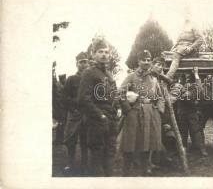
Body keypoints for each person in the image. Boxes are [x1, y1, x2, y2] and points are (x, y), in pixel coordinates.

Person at [119, 50, 164, 176]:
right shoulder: (131, 77)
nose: (146, 62)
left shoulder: (154, 78)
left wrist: (159, 111)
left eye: (148, 60)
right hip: (135, 113)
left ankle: (144, 171)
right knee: (130, 144)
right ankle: (126, 173)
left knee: (147, 144)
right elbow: (120, 93)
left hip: (150, 113)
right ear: (138, 61)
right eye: (143, 60)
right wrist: (127, 109)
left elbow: (160, 96)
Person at [78, 38, 118, 176]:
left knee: (110, 157)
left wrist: (116, 110)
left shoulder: (109, 74)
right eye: (100, 52)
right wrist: (100, 115)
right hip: (96, 121)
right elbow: (83, 99)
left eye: (106, 52)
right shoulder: (89, 73)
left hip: (111, 121)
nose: (104, 55)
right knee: (97, 158)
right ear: (93, 54)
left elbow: (114, 95)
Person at [63, 52, 89, 175]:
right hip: (74, 114)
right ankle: (70, 163)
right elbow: (64, 97)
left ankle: (85, 164)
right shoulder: (71, 79)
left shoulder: (90, 79)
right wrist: (73, 109)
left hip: (87, 114)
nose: (84, 64)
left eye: (85, 62)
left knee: (85, 140)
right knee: (70, 140)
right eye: (81, 62)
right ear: (77, 63)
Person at [173, 68, 208, 157]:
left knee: (196, 130)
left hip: (192, 111)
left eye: (188, 76)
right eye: (185, 76)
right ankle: (182, 149)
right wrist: (188, 96)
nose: (187, 78)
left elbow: (199, 91)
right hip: (182, 111)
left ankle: (201, 149)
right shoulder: (178, 85)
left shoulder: (193, 85)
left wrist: (190, 96)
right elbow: (179, 96)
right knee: (183, 131)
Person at [165, 9, 203, 82]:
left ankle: (169, 76)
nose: (186, 16)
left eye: (188, 14)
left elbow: (200, 39)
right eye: (185, 14)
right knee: (168, 55)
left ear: (191, 15)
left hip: (189, 47)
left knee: (176, 55)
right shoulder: (182, 26)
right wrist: (172, 48)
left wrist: (191, 47)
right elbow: (178, 40)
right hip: (180, 47)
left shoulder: (194, 25)